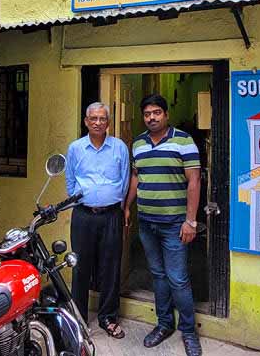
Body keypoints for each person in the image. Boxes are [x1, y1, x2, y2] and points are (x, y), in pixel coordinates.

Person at [124, 94, 203, 356]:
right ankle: (164, 324)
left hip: (174, 224)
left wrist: (190, 221)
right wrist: (127, 205)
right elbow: (137, 177)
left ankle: (189, 332)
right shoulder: (138, 143)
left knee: (178, 279)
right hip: (147, 224)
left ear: (166, 114)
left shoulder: (183, 140)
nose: (152, 118)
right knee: (157, 275)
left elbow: (194, 181)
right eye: (147, 114)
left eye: (157, 112)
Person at [65, 102, 129, 339]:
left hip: (112, 215)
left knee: (110, 268)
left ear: (108, 123)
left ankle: (108, 318)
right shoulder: (76, 148)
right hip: (83, 215)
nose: (98, 122)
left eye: (102, 119)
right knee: (80, 266)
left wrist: (119, 207)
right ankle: (79, 319)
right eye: (93, 118)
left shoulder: (119, 147)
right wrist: (81, 201)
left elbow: (124, 182)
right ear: (86, 121)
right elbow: (70, 180)